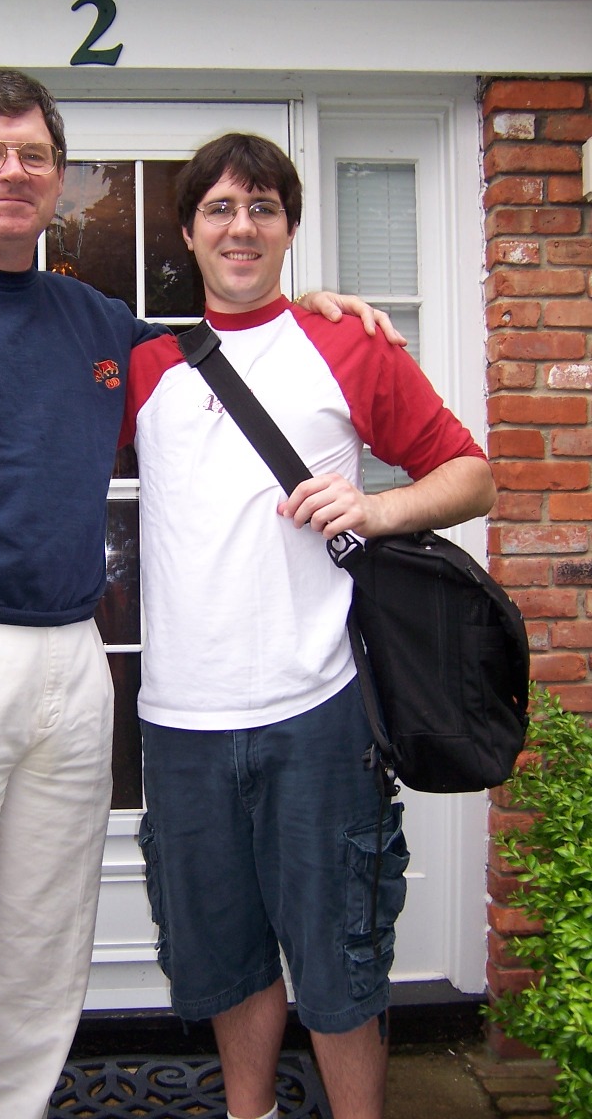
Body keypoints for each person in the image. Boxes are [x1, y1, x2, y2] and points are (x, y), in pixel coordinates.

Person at [0, 71, 399, 1119]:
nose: (9, 171)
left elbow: (230, 349)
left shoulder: (98, 323)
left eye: (30, 154)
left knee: (37, 959)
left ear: (60, 178)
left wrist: (320, 308)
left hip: (71, 664)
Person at [121, 133, 496, 1119]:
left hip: (320, 708)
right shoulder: (145, 367)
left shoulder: (347, 343)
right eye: (220, 209)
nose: (241, 227)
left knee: (340, 961)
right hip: (182, 720)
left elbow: (469, 473)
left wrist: (377, 509)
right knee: (227, 953)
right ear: (190, 233)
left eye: (263, 208)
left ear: (289, 227)